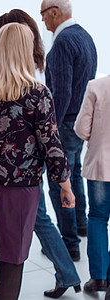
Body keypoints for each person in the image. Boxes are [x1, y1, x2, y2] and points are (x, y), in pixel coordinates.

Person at [0, 23, 75, 299]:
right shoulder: (37, 93)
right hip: (21, 189)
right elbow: (52, 144)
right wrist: (65, 185)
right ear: (26, 50)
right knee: (12, 258)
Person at [0, 9, 82, 298]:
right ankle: (67, 273)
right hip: (28, 168)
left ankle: (67, 272)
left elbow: (52, 126)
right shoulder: (35, 87)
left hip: (10, 172)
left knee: (38, 219)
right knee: (37, 220)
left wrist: (64, 182)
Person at [41, 0, 97, 263]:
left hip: (64, 123)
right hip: (80, 121)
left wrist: (50, 127)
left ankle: (69, 242)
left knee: (58, 181)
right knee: (74, 174)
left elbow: (61, 91)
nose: (42, 20)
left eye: (43, 14)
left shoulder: (63, 41)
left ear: (54, 12)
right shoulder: (85, 35)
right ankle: (80, 226)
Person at [75, 75, 110, 296]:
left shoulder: (97, 86)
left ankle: (98, 278)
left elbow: (81, 129)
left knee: (97, 218)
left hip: (101, 165)